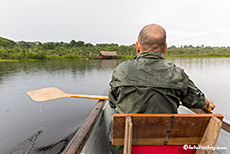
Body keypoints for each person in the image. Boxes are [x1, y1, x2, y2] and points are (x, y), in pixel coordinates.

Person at [106, 23, 215, 154]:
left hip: (128, 147)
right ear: (165, 48)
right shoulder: (177, 74)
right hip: (163, 144)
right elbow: (195, 100)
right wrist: (206, 102)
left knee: (111, 118)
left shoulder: (121, 71)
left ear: (137, 46)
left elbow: (112, 102)